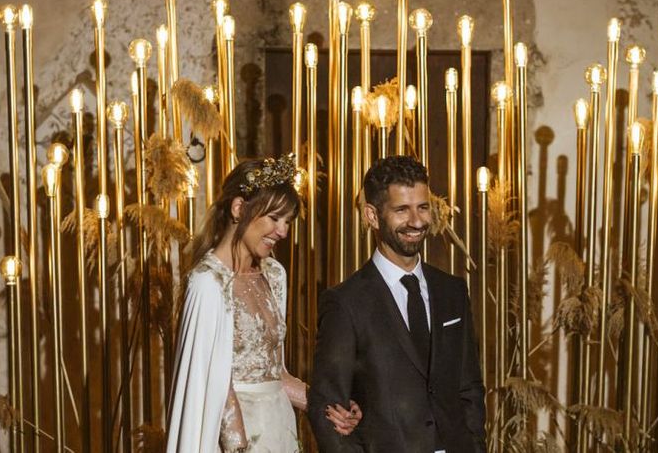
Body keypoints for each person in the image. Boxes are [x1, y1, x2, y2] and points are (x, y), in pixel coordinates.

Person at [166, 154, 361, 452]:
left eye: (287, 221)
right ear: (239, 208)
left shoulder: (274, 274)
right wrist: (238, 446)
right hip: (234, 438)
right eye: (274, 218)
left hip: (279, 429)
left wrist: (329, 405)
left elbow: (276, 375)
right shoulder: (208, 283)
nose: (282, 231)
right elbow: (213, 384)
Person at [308, 155, 486, 453]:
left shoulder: (452, 291)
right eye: (402, 210)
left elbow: (469, 387)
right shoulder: (345, 303)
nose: (416, 222)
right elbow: (328, 411)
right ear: (372, 216)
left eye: (423, 207)